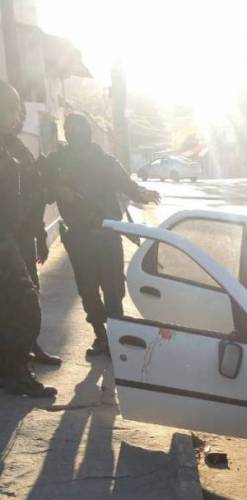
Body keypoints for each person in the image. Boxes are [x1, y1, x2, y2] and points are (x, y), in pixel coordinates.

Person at [44, 113, 160, 356]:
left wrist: (143, 192)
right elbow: (45, 191)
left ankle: (116, 336)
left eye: (78, 129)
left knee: (113, 287)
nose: (73, 134)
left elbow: (128, 186)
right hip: (79, 238)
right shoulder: (58, 162)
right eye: (69, 129)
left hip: (107, 235)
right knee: (87, 289)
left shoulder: (106, 162)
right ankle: (101, 336)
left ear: (88, 132)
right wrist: (57, 188)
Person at [0, 80, 56, 398]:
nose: (18, 114)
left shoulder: (10, 145)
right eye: (12, 108)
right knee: (24, 304)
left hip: (11, 235)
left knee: (12, 306)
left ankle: (11, 370)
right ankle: (16, 372)